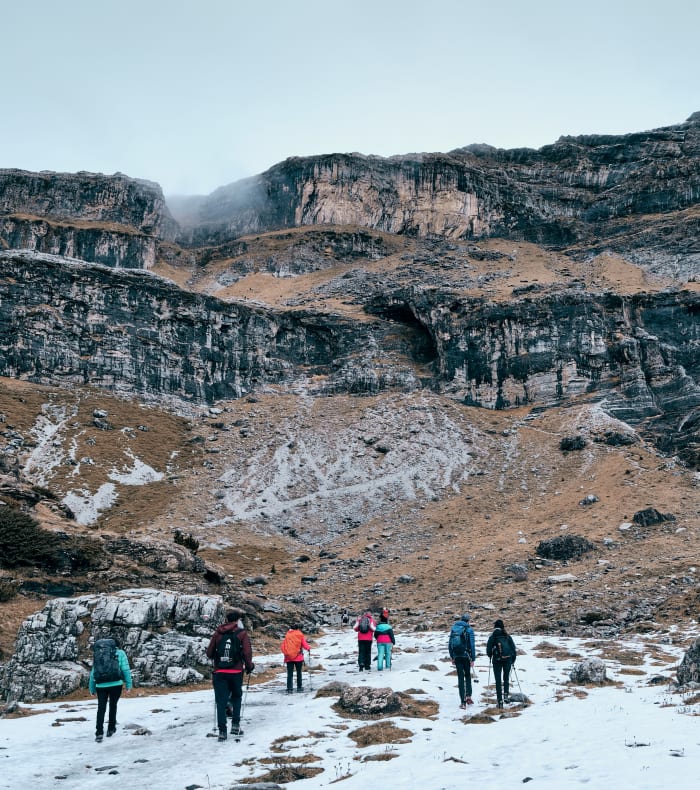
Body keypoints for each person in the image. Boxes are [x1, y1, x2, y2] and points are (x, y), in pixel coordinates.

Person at [206, 610, 254, 741]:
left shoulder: (217, 633)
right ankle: (235, 725)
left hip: (219, 672)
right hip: (236, 671)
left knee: (221, 702)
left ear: (226, 619)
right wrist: (249, 666)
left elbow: (209, 653)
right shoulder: (241, 633)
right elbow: (247, 652)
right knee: (237, 697)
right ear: (238, 620)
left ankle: (222, 731)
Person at [89, 636, 133, 743]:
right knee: (113, 705)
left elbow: (93, 672)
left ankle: (99, 733)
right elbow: (125, 669)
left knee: (101, 708)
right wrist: (128, 685)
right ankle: (111, 729)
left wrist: (92, 688)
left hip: (101, 685)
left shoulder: (99, 653)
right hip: (116, 684)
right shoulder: (120, 653)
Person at [486, 618, 517, 708]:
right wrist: (512, 660)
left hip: (497, 660)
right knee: (506, 678)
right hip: (508, 659)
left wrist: (491, 655)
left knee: (498, 681)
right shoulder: (507, 636)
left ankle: (500, 701)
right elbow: (513, 649)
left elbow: (488, 650)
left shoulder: (493, 637)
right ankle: (506, 696)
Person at [448, 613, 475, 709]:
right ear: (468, 621)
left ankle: (462, 702)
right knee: (467, 676)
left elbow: (450, 643)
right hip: (466, 656)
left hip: (457, 656)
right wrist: (473, 658)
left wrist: (452, 656)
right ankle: (468, 696)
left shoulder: (454, 628)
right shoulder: (469, 629)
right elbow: (472, 645)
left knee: (460, 678)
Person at [281, 623, 311, 693]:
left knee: (290, 674)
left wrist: (287, 653)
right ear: (297, 628)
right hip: (298, 657)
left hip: (289, 658)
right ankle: (299, 687)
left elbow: (283, 646)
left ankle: (289, 688)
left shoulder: (287, 635)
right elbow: (304, 645)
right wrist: (308, 648)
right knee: (299, 673)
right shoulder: (300, 634)